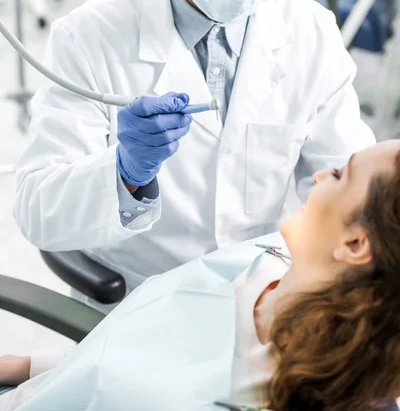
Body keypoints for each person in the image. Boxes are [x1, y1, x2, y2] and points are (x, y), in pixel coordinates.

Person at [15, 0, 374, 304]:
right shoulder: (89, 36)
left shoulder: (311, 33)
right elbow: (38, 210)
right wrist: (124, 175)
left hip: (258, 300)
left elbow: (349, 190)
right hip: (137, 306)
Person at [3, 140, 400, 411]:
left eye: (338, 174)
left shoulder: (279, 392)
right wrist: (26, 366)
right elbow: (140, 350)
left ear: (355, 244)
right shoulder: (261, 262)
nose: (316, 177)